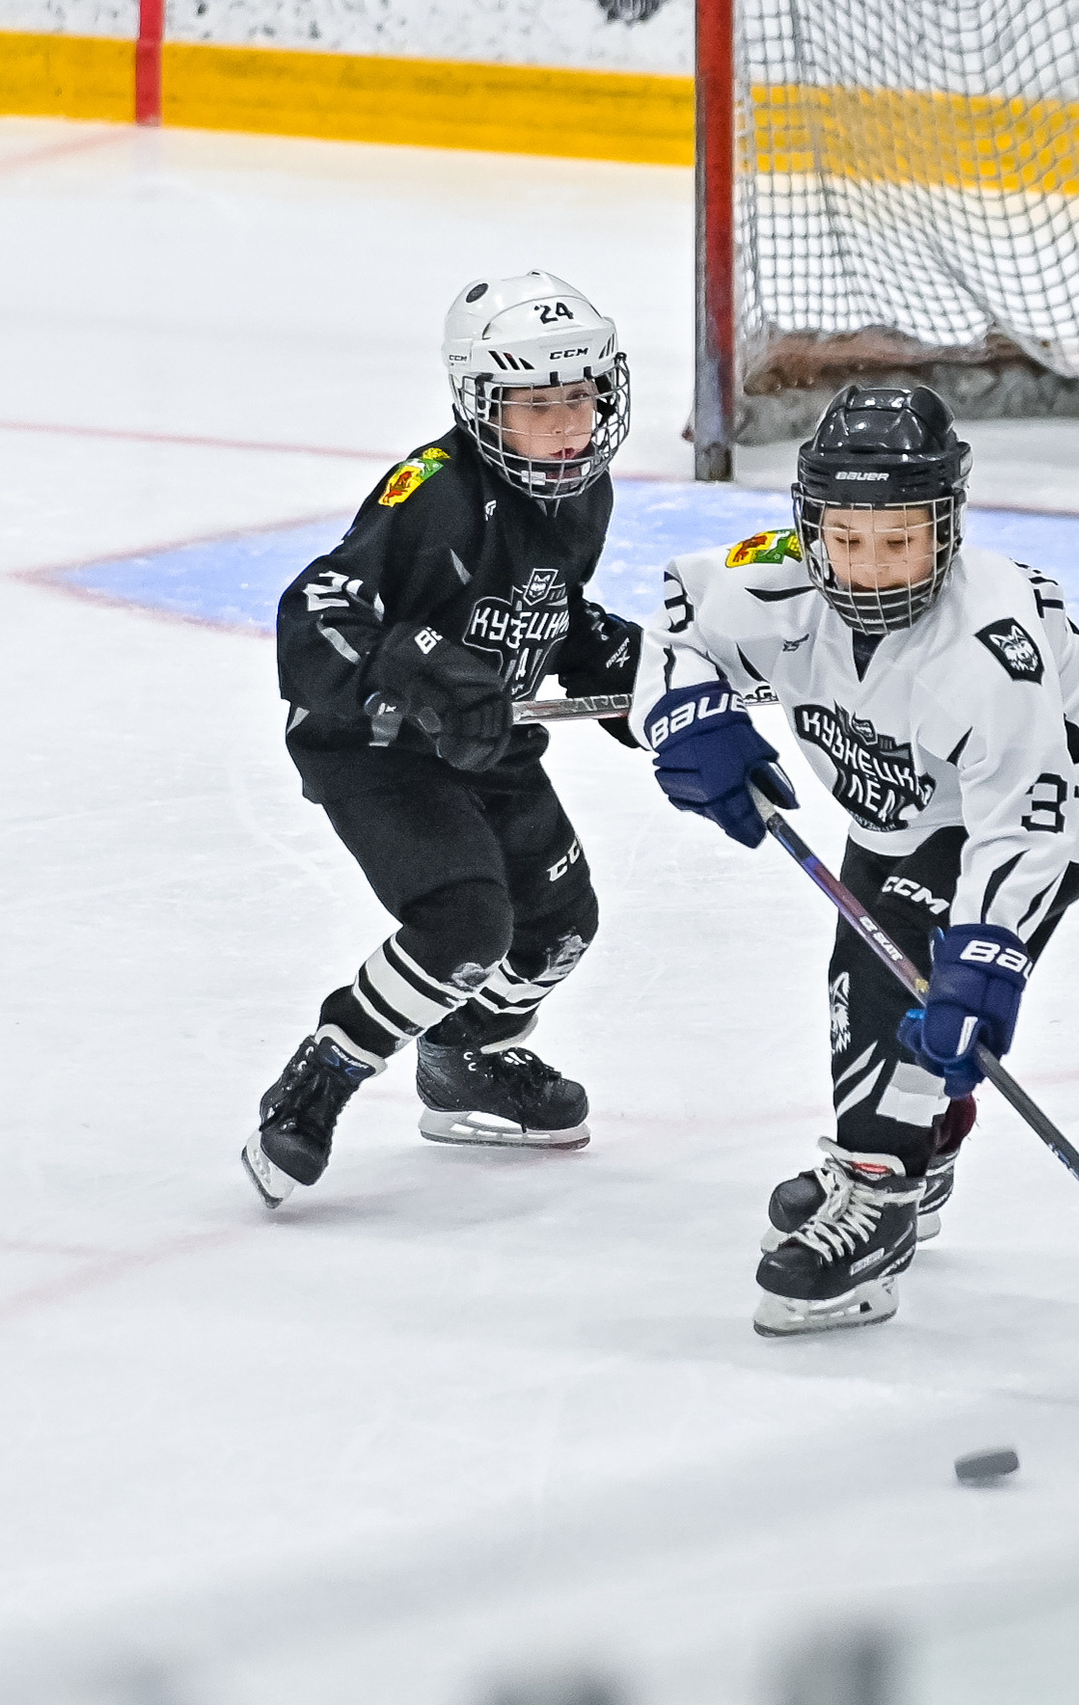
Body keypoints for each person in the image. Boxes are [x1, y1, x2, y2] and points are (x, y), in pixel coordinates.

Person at [642, 384, 1079, 1337]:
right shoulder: (779, 576)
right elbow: (678, 621)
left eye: (899, 540)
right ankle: (920, 1142)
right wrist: (688, 714)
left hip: (1049, 816)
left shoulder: (989, 647)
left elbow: (1023, 819)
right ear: (810, 526)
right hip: (901, 810)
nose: (868, 569)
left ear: (947, 527)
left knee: (897, 977)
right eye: (847, 539)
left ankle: (880, 1196)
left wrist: (986, 956)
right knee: (870, 983)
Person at [248, 272, 719, 1207]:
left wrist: (624, 668)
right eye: (538, 404)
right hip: (376, 747)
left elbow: (547, 608)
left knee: (560, 925)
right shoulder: (432, 492)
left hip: (488, 741)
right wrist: (413, 669)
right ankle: (325, 1071)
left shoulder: (582, 493)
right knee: (465, 924)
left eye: (580, 395)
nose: (568, 423)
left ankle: (465, 1057)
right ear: (481, 403)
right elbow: (317, 610)